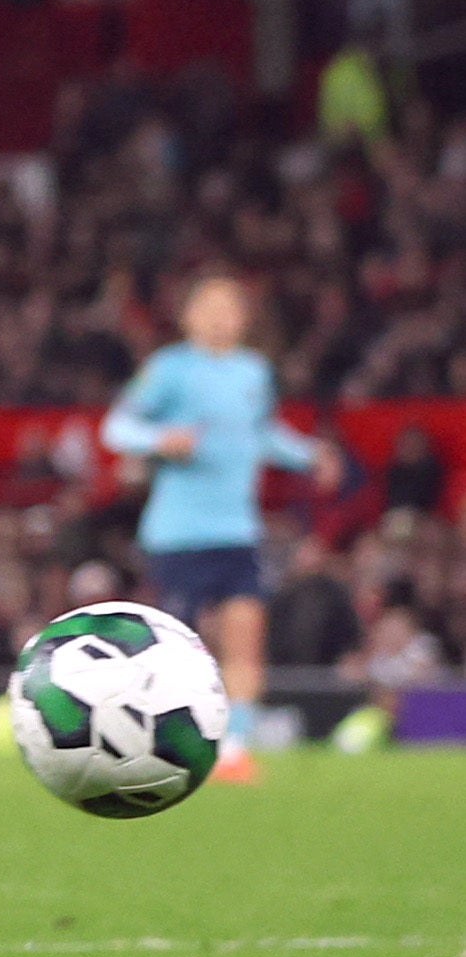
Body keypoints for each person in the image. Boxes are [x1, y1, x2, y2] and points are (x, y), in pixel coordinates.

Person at [102, 272, 324, 785]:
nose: (222, 315)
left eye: (232, 305)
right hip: (178, 534)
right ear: (189, 317)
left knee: (245, 638)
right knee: (178, 650)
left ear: (245, 319)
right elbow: (116, 427)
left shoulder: (253, 372)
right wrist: (161, 439)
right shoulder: (169, 369)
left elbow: (264, 432)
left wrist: (310, 454)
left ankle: (234, 749)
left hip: (237, 531)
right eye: (211, 305)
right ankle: (154, 742)